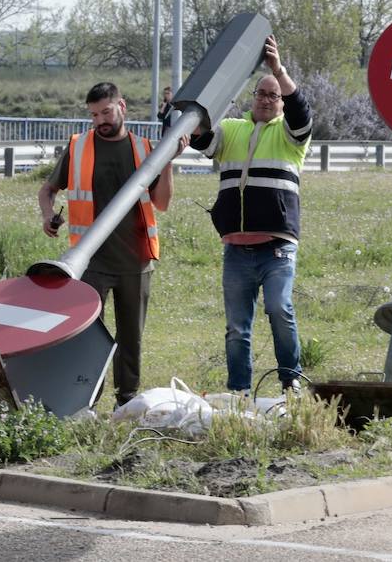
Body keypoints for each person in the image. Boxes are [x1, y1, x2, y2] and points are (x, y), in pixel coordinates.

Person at [39, 82, 178, 408]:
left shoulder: (146, 150)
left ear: (122, 107)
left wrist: (168, 161)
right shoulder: (79, 147)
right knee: (88, 338)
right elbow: (47, 190)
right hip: (90, 263)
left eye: (105, 112)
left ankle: (126, 402)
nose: (99, 120)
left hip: (135, 261)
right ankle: (84, 401)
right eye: (93, 114)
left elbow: (163, 203)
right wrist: (48, 217)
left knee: (131, 339)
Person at [191, 35, 313, 395]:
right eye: (261, 93)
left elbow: (302, 113)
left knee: (279, 309)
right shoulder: (232, 128)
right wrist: (185, 112)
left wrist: (278, 70)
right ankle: (239, 392)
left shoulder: (293, 136)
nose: (265, 100)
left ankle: (291, 380)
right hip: (236, 249)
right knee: (237, 327)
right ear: (252, 97)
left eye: (273, 95)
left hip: (276, 247)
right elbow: (202, 139)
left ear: (280, 102)